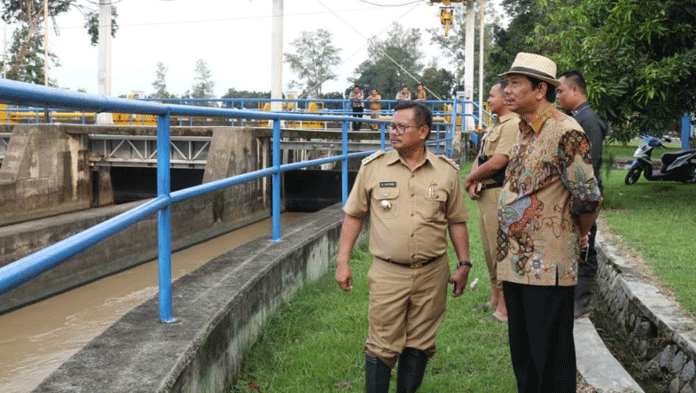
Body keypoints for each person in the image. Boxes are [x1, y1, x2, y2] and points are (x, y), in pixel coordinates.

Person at [335, 101, 472, 393]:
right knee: (381, 344)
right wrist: (343, 262)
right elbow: (354, 216)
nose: (393, 132)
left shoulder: (446, 172)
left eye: (401, 127)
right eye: (391, 126)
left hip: (432, 272)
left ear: (423, 131)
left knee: (421, 342)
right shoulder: (373, 168)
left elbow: (457, 221)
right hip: (388, 272)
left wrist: (464, 264)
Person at [497, 53, 602, 393]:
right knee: (524, 357)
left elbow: (587, 196)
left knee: (552, 360)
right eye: (507, 83)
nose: (506, 90)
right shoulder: (523, 131)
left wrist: (580, 234)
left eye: (515, 83)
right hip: (515, 264)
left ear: (540, 89)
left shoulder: (567, 131)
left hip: (549, 267)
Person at [463, 81, 519, 323]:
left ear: (506, 98)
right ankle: (494, 299)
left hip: (499, 194)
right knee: (488, 250)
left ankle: (505, 310)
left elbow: (499, 161)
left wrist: (470, 178)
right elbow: (482, 156)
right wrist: (475, 178)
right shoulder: (495, 124)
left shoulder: (512, 124)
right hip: (486, 193)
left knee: (501, 251)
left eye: (492, 95)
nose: (489, 99)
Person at [556, 70, 608, 319]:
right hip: (571, 198)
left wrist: (583, 200)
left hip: (584, 199)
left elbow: (591, 166)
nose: (558, 96)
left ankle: (582, 307)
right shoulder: (573, 118)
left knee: (586, 249)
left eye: (561, 90)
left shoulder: (588, 121)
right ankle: (573, 302)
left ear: (575, 90)